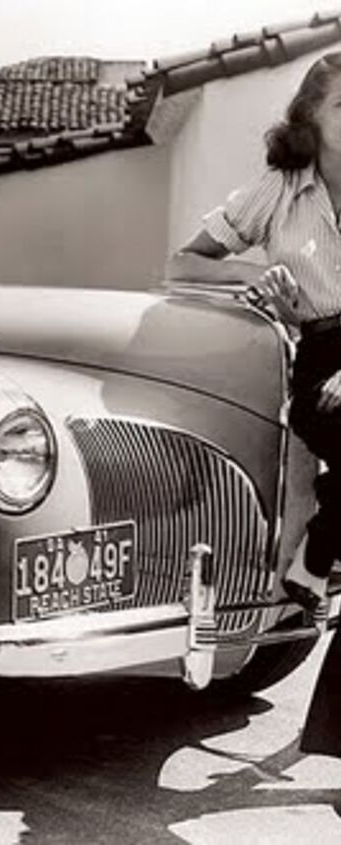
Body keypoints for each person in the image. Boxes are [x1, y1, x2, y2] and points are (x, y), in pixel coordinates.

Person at [166, 51, 341, 613]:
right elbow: (184, 263)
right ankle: (318, 558)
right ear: (311, 119)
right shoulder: (279, 190)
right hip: (319, 354)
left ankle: (317, 555)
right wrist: (255, 275)